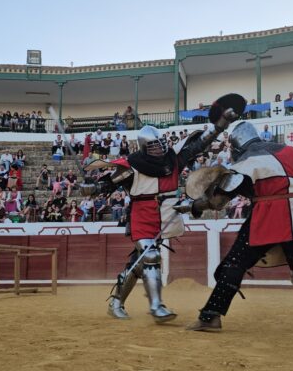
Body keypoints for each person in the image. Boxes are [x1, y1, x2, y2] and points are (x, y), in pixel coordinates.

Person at [84, 96, 244, 322]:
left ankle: (116, 302)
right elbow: (108, 185)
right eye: (153, 146)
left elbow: (200, 144)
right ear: (144, 147)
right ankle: (157, 306)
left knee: (138, 264)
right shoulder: (132, 164)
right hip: (141, 215)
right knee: (150, 256)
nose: (159, 149)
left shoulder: (174, 159)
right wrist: (89, 189)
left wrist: (220, 125)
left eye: (160, 144)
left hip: (164, 215)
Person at [183, 121, 293, 335]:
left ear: (236, 146)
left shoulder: (248, 159)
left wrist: (193, 205)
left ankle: (211, 316)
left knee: (235, 263)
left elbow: (219, 201)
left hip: (271, 213)